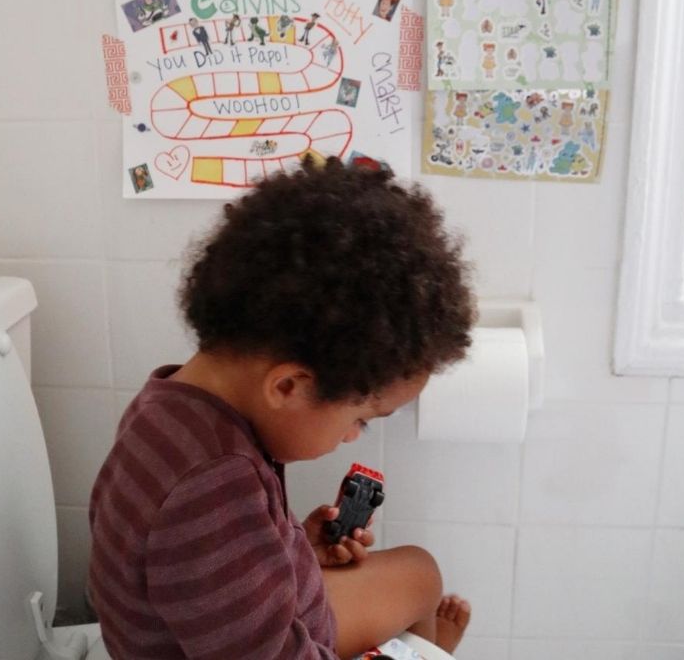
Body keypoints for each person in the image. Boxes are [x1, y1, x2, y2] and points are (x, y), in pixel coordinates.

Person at [89, 157, 476, 658]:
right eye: (359, 418)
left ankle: (421, 649)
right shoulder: (210, 490)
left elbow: (206, 567)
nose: (353, 436)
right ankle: (420, 653)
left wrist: (292, 550)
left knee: (420, 573)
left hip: (269, 615)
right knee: (417, 590)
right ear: (290, 386)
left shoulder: (170, 404)